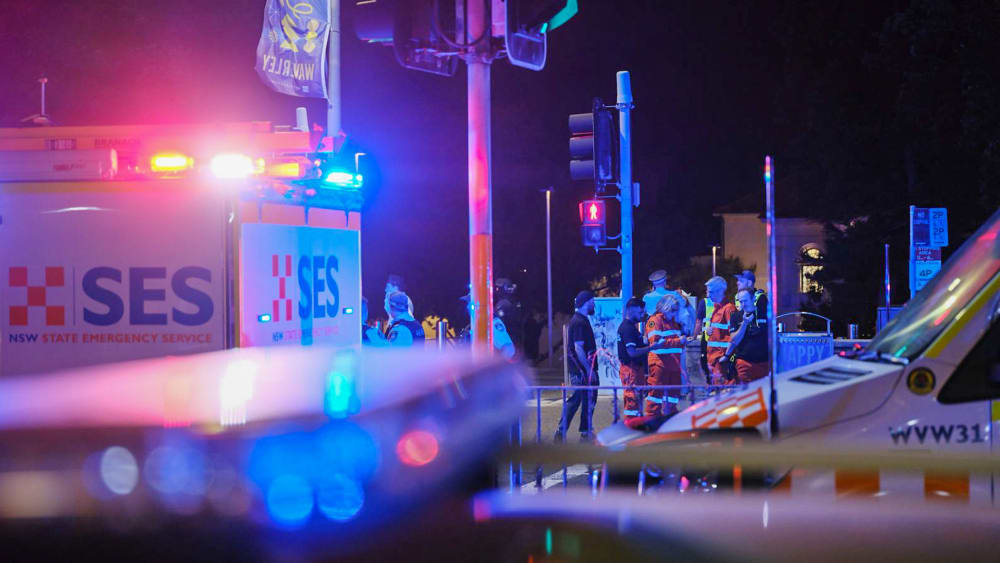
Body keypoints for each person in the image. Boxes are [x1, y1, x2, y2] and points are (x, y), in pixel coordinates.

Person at [555, 290, 598, 443]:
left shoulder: (581, 320)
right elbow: (579, 348)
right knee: (578, 399)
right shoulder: (579, 322)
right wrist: (589, 370)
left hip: (581, 369)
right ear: (586, 302)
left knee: (586, 399)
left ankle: (584, 432)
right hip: (581, 371)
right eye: (592, 301)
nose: (594, 304)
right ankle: (562, 432)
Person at [644, 294, 691, 416]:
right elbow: (655, 343)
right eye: (673, 309)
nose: (675, 313)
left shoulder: (674, 323)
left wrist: (682, 340)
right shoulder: (655, 321)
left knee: (673, 395)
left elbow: (678, 344)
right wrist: (678, 341)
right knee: (656, 395)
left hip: (673, 365)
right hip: (659, 364)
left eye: (676, 310)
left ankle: (670, 417)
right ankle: (652, 419)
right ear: (665, 307)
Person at [696, 276, 737, 385]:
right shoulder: (716, 308)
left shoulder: (728, 309)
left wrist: (726, 356)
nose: (708, 295)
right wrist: (710, 331)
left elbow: (734, 336)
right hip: (715, 359)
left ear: (720, 291)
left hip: (722, 360)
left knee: (724, 393)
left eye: (711, 292)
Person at [726, 289, 770, 383]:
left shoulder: (764, 315)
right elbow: (734, 339)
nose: (743, 304)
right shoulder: (736, 316)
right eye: (740, 301)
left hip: (764, 364)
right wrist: (744, 323)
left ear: (753, 298)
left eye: (745, 301)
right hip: (744, 363)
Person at [617, 297, 650, 422]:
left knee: (636, 400)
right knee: (632, 400)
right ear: (630, 310)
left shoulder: (630, 327)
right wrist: (650, 348)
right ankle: (631, 426)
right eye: (640, 312)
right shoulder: (628, 328)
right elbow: (632, 352)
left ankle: (635, 424)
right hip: (631, 370)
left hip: (634, 369)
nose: (642, 315)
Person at [643, 269, 696, 335]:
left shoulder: (646, 297)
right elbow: (685, 305)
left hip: (653, 328)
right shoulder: (674, 294)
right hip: (671, 328)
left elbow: (644, 313)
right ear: (664, 282)